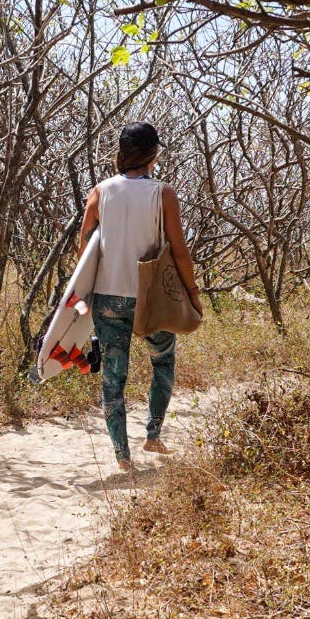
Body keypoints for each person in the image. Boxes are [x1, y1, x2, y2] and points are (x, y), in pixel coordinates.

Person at [77, 121, 201, 470]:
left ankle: (122, 457)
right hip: (152, 299)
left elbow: (85, 247)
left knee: (114, 377)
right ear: (153, 154)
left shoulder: (100, 191)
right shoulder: (163, 193)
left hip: (108, 298)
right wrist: (192, 293)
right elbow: (179, 251)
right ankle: (152, 435)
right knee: (162, 362)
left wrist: (83, 296)